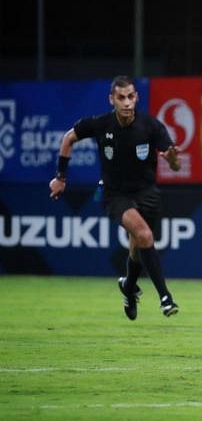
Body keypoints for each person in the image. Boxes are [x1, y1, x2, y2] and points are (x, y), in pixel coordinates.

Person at [49, 75, 181, 320]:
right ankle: (165, 297)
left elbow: (173, 163)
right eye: (121, 97)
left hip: (147, 194)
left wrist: (172, 159)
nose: (127, 102)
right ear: (112, 99)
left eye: (131, 96)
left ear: (136, 97)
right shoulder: (100, 124)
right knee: (144, 235)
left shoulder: (151, 126)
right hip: (115, 195)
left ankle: (129, 287)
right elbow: (68, 139)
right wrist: (61, 177)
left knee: (137, 248)